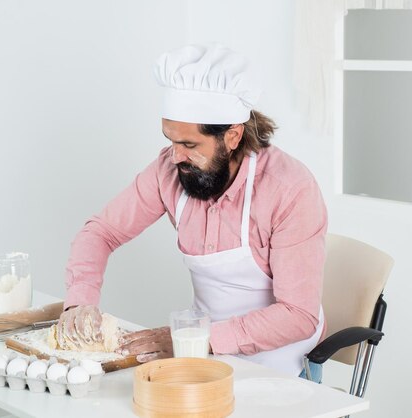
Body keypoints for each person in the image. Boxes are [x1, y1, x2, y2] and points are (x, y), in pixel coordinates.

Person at [57, 44, 327, 380]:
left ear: (232, 135)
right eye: (171, 140)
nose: (175, 157)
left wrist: (198, 339)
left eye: (189, 145)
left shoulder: (289, 189)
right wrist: (80, 302)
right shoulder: (169, 170)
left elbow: (298, 315)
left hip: (283, 364)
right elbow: (101, 232)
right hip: (204, 358)